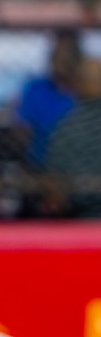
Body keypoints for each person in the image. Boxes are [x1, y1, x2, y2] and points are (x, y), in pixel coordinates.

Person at [15, 29, 81, 166]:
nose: (64, 58)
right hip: (43, 163)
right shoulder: (36, 89)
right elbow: (22, 131)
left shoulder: (87, 94)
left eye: (69, 52)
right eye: (59, 51)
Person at [45, 57, 101, 217]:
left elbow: (55, 194)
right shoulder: (67, 128)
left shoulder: (66, 128)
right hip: (81, 213)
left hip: (78, 216)